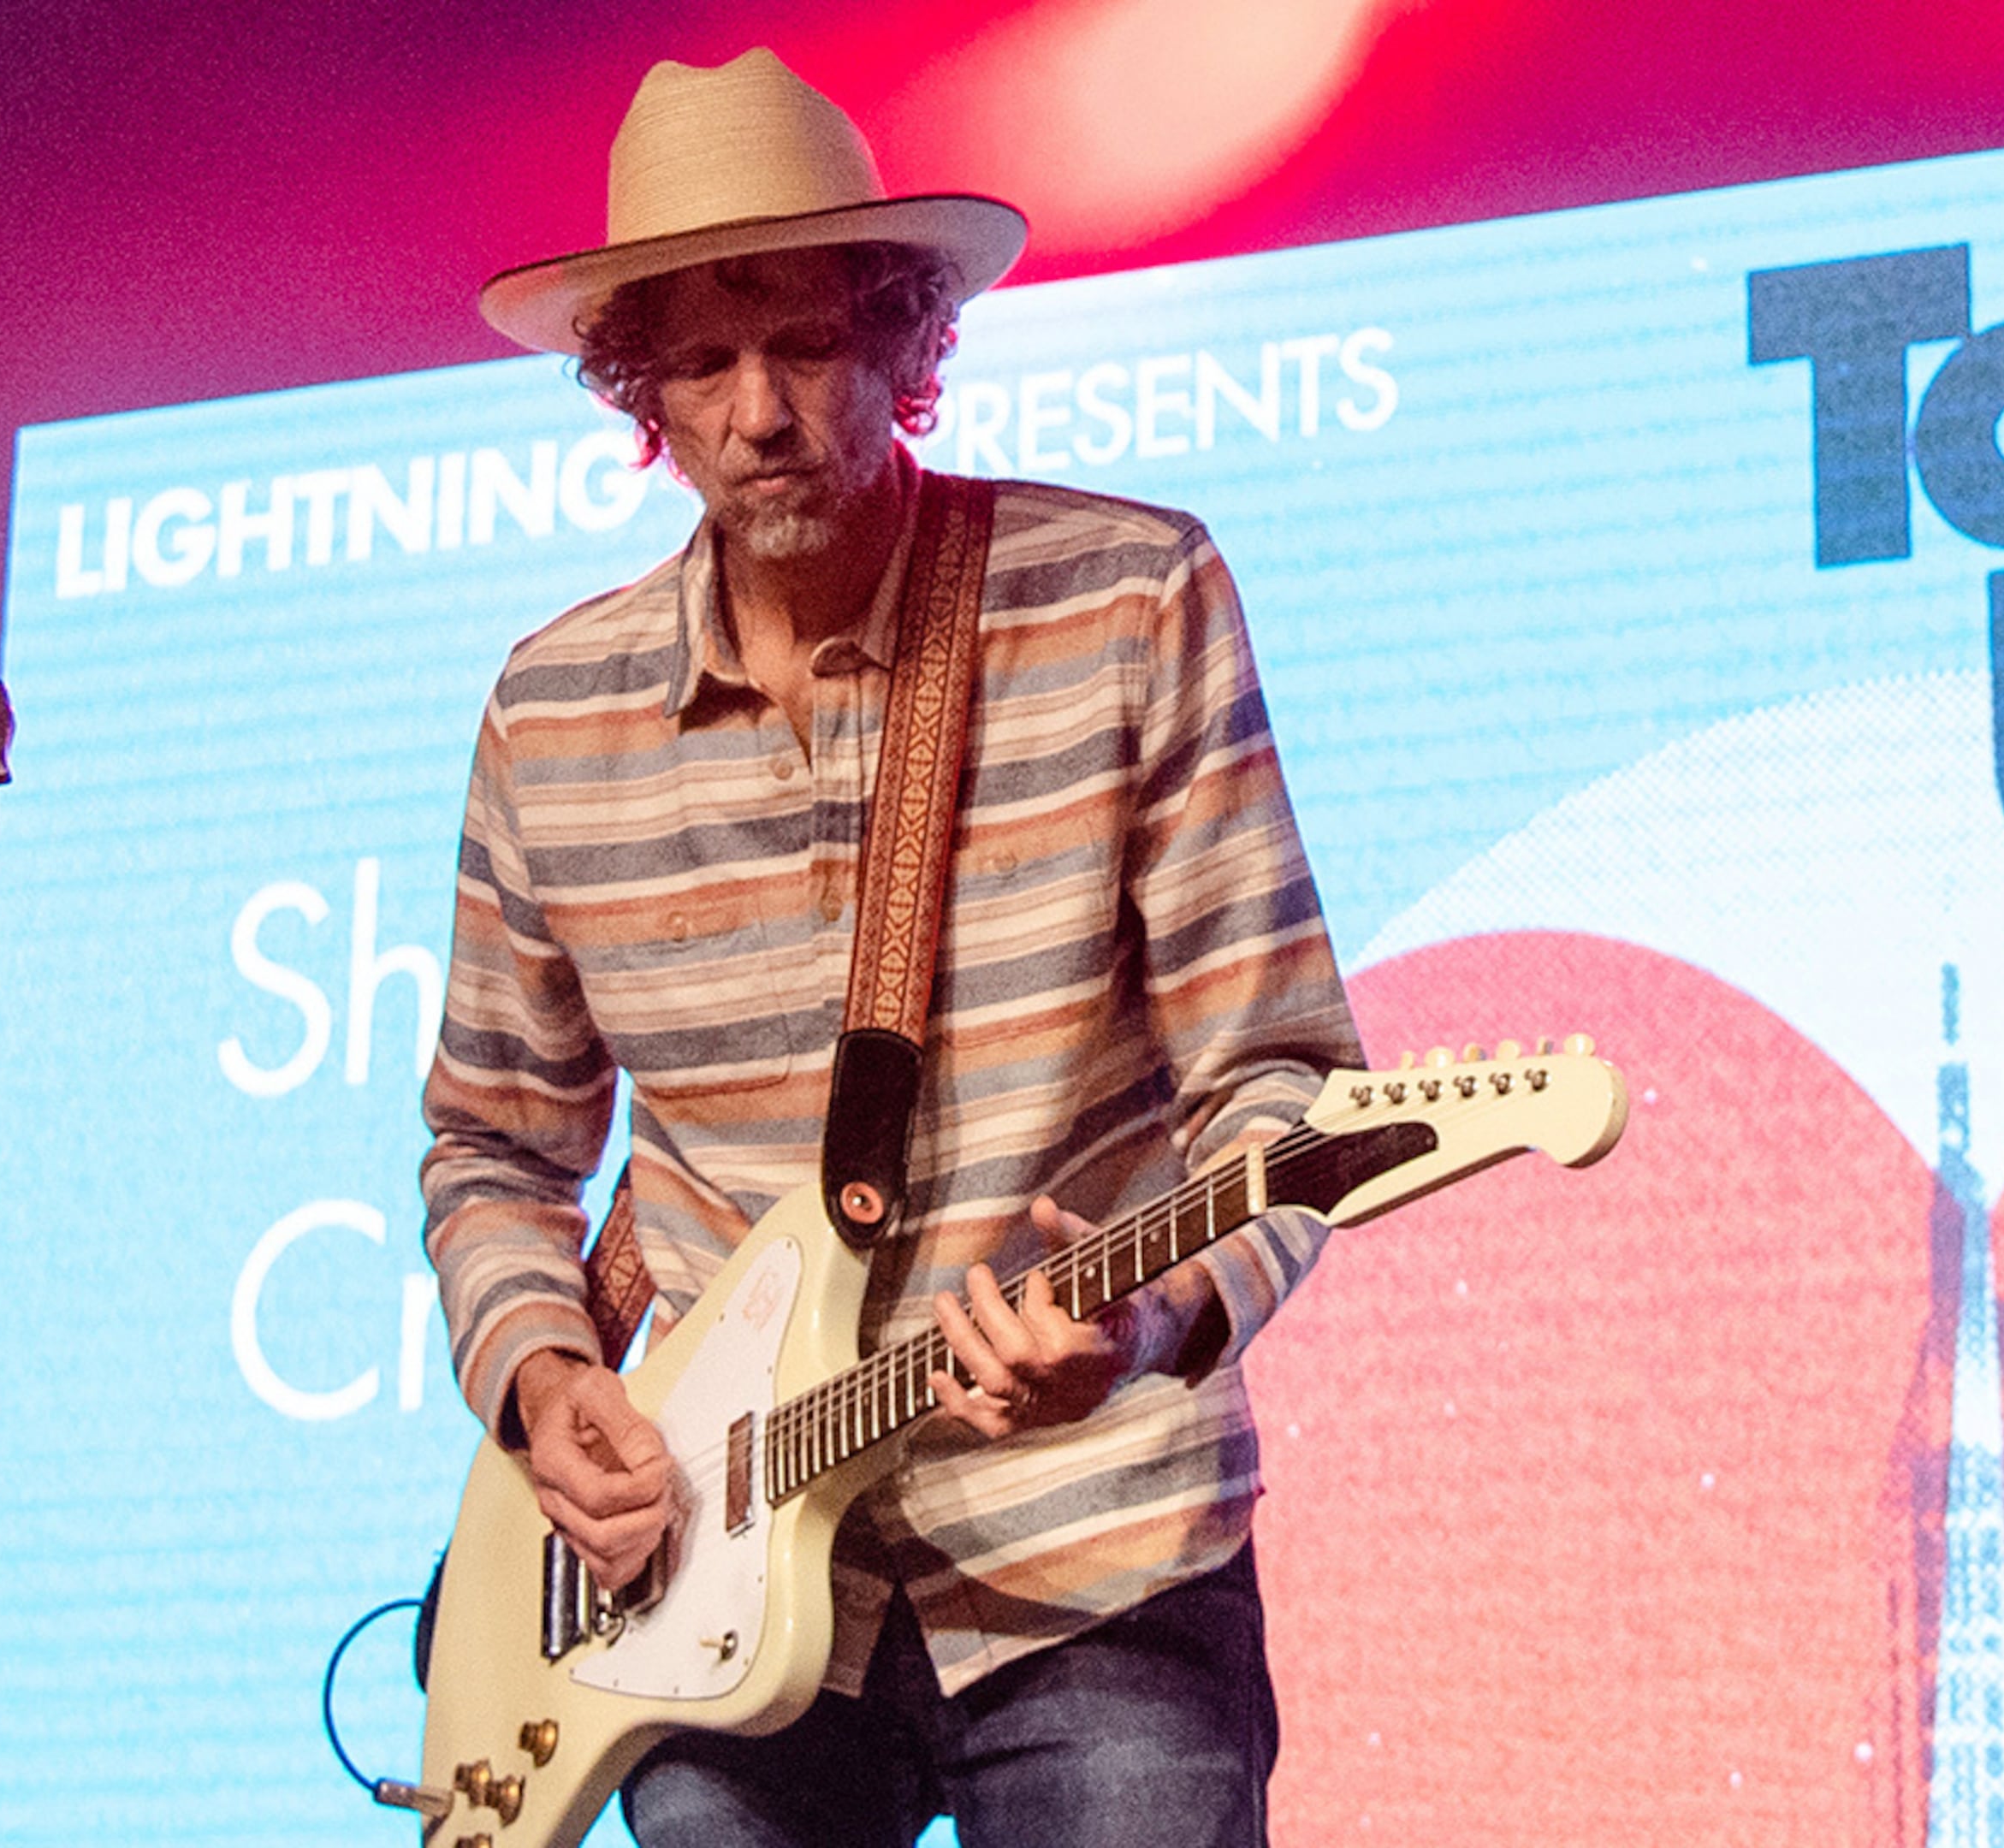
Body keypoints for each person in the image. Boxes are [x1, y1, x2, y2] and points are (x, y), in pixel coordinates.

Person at [421, 48, 1361, 1848]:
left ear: (900, 334)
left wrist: (1156, 1314)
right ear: (645, 396)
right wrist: (550, 1391)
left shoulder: (1125, 604)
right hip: (702, 1584)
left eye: (803, 341)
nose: (760, 410)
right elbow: (492, 1146)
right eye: (699, 361)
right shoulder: (550, 716)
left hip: (1089, 1556)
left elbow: (1289, 1086)